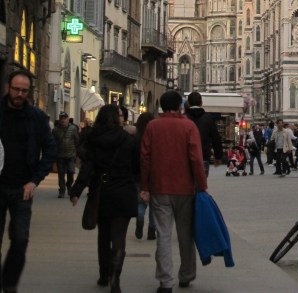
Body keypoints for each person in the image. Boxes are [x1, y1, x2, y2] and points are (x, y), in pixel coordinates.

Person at [140, 90, 208, 292]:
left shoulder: (152, 126)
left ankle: (165, 281)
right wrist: (202, 186)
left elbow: (145, 158)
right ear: (180, 106)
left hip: (160, 188)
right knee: (186, 234)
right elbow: (196, 159)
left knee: (163, 235)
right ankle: (186, 275)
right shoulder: (189, 126)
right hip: (185, 189)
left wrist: (144, 187)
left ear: (162, 106)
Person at [70, 103, 138, 293]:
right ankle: (115, 278)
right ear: (117, 119)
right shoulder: (129, 140)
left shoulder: (94, 140)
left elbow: (87, 167)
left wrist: (76, 191)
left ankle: (103, 273)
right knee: (119, 237)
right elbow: (137, 167)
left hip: (102, 191)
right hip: (124, 191)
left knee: (104, 236)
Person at [0, 69, 56, 293]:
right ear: (8, 88)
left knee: (20, 239)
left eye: (24, 91)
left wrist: (34, 181)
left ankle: (9, 283)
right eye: (16, 89)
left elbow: (50, 150)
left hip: (23, 188)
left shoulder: (37, 117)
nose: (20, 94)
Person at [184, 91, 224, 176]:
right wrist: (218, 156)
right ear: (201, 103)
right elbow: (216, 138)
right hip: (203, 157)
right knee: (202, 181)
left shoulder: (183, 118)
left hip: (186, 158)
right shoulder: (208, 118)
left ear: (188, 103)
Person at [134, 112, 156, 240]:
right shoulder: (155, 140)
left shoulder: (135, 140)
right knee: (154, 205)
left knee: (140, 202)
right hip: (154, 176)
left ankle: (140, 216)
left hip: (138, 176)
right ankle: (152, 229)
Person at [52, 111, 79, 198]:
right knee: (61, 174)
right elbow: (53, 142)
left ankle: (69, 184)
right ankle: (62, 190)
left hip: (71, 155)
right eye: (61, 119)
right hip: (60, 156)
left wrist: (76, 153)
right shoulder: (55, 130)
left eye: (64, 118)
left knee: (71, 172)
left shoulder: (73, 128)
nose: (63, 120)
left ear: (68, 119)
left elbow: (77, 141)